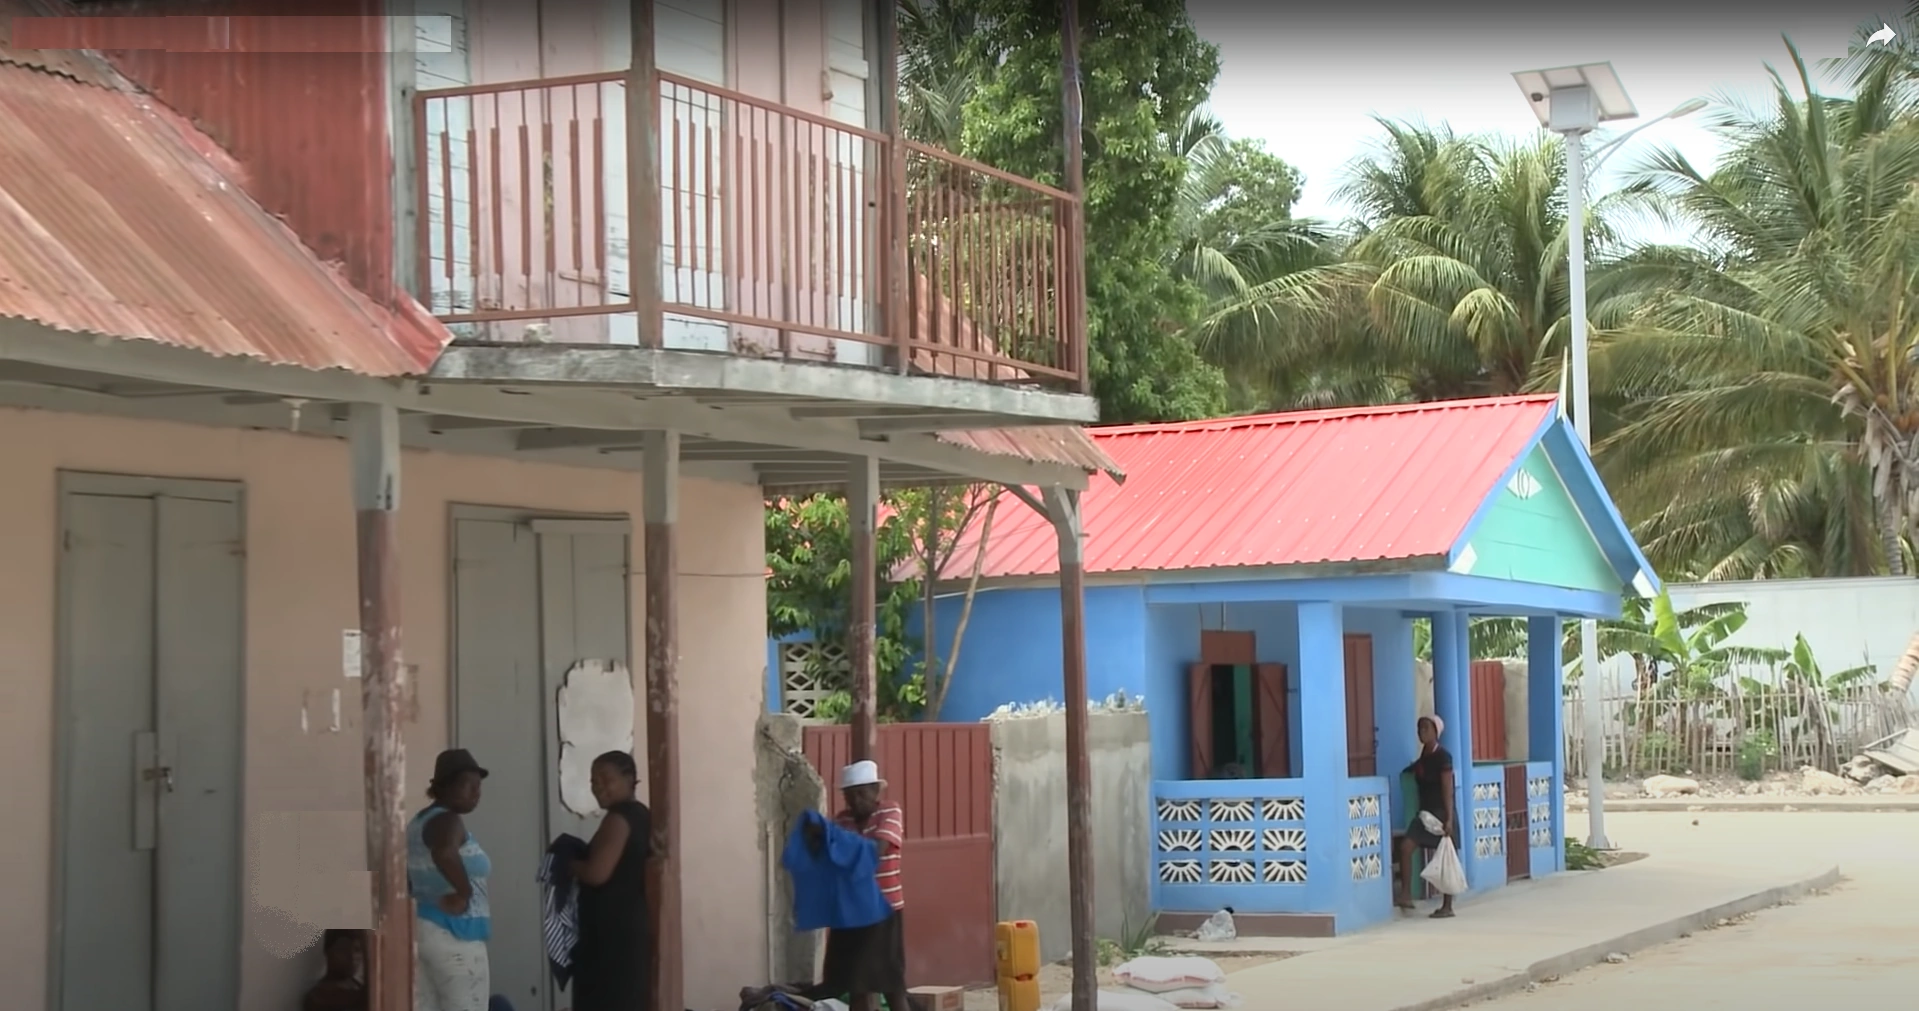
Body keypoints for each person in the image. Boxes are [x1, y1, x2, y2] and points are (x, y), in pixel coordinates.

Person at [819, 760, 909, 1011]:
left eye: (861, 793)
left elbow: (875, 851)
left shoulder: (890, 812)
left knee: (891, 983)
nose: (856, 801)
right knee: (856, 984)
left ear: (875, 791)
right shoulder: (842, 820)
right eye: (850, 796)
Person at [409, 748, 494, 1011]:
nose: (476, 793)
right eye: (469, 785)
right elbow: (444, 853)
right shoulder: (448, 820)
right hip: (456, 933)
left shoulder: (418, 823)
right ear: (445, 786)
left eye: (479, 786)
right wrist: (464, 893)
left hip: (423, 929)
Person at [570, 750, 653, 1011]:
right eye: (593, 781)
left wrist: (569, 865)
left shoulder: (618, 818)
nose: (598, 787)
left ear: (629, 778)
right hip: (627, 929)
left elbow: (597, 873)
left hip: (611, 936)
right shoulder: (641, 814)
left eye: (606, 779)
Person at [1395, 715, 1458, 919]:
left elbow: (1447, 788)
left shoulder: (1443, 757)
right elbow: (1418, 770)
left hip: (1441, 812)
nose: (1421, 732)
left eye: (1426, 729)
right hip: (1425, 814)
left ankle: (1447, 905)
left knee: (1446, 856)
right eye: (1419, 729)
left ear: (1435, 732)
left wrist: (1449, 819)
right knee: (1406, 847)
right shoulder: (1424, 757)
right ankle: (1406, 894)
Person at [302, 929, 366, 1011]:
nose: (352, 957)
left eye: (357, 950)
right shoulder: (317, 997)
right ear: (327, 951)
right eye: (343, 950)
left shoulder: (357, 986)